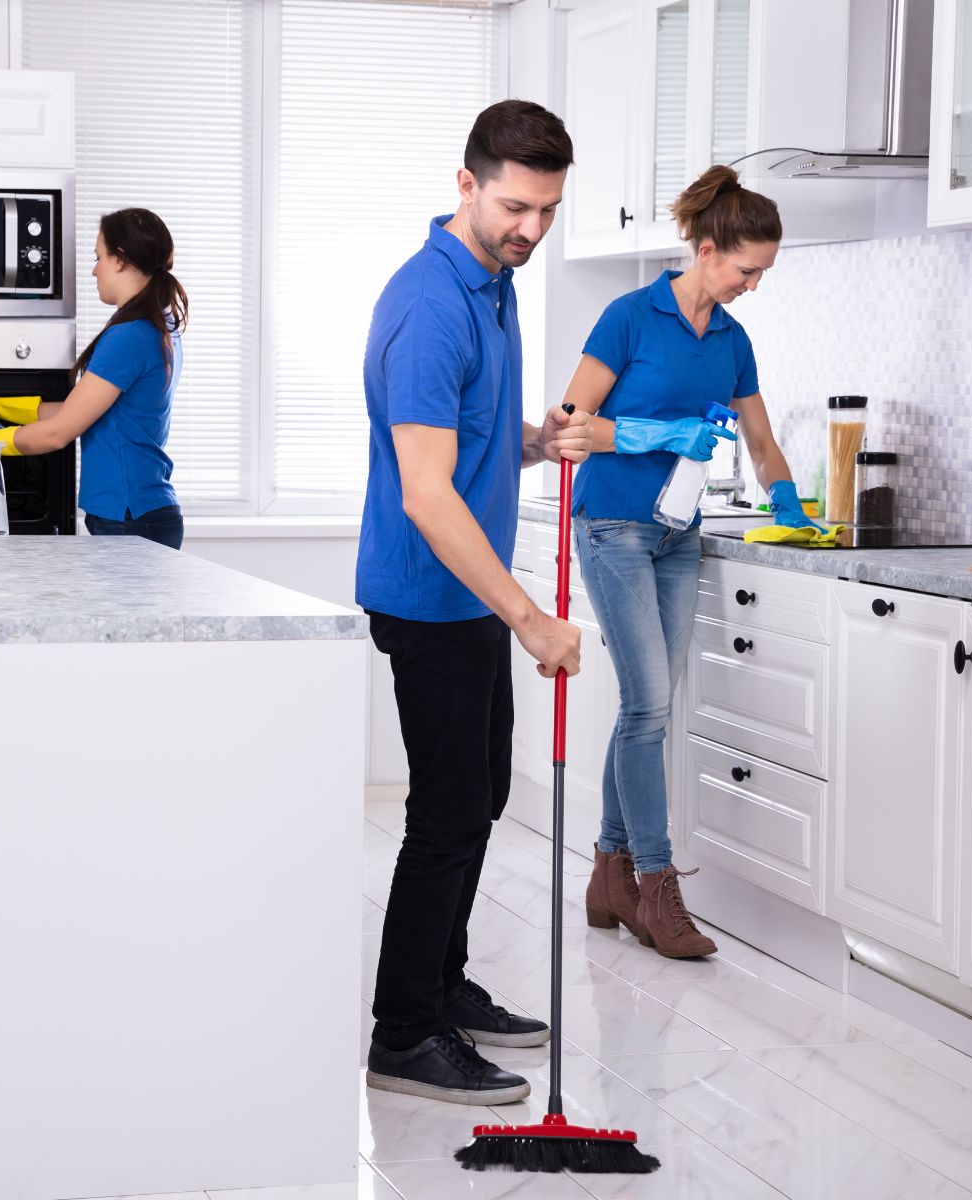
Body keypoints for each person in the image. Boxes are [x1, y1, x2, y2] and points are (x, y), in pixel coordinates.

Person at [356, 99, 587, 1107]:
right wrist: (529, 617)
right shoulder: (431, 303)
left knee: (477, 798)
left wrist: (538, 442)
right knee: (447, 813)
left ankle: (442, 987)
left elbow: (467, 441)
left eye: (546, 209)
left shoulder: (494, 285)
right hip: (431, 596)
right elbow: (425, 490)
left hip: (471, 601)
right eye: (513, 206)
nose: (530, 228)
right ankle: (405, 1031)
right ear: (465, 185)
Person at [549, 164, 821, 957]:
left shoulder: (733, 342)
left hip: (677, 536)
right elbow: (571, 425)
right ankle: (656, 889)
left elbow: (762, 441)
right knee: (648, 710)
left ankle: (608, 870)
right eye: (746, 270)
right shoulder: (630, 317)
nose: (753, 286)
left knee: (651, 707)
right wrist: (656, 434)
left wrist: (787, 503)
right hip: (613, 528)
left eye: (763, 273)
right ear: (706, 251)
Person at [0, 208, 188, 550]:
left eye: (98, 257)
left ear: (120, 260)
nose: (93, 269)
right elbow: (80, 411)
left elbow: (59, 433)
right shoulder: (154, 327)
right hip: (136, 513)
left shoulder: (131, 335)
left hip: (131, 516)